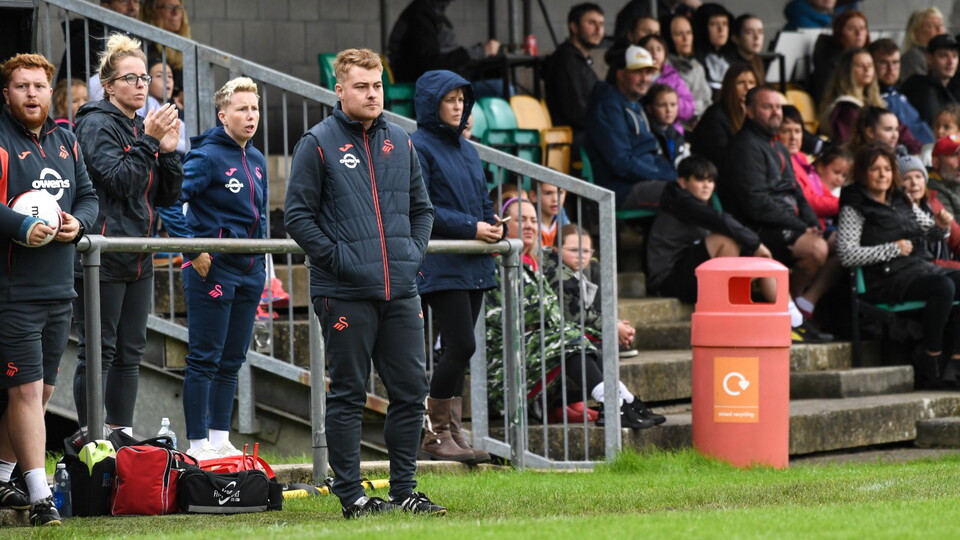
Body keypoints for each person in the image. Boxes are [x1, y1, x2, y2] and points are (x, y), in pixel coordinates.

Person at [284, 48, 443, 518]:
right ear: (340, 90)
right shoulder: (317, 142)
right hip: (344, 291)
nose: (372, 94)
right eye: (362, 86)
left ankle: (403, 490)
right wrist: (340, 260)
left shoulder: (402, 140)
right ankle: (352, 496)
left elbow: (423, 210)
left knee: (412, 390)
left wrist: (410, 256)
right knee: (349, 393)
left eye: (377, 86)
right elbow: (297, 216)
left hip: (400, 288)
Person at [0, 52, 98, 527]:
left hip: (62, 288)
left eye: (39, 86)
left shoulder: (66, 138)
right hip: (14, 291)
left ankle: (1, 478)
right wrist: (22, 226)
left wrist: (79, 223)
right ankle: (41, 498)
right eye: (22, 86)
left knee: (37, 399)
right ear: (7, 93)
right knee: (24, 393)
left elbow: (89, 196)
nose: (32, 94)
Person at [73, 34, 183, 440]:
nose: (141, 85)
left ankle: (121, 436)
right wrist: (151, 142)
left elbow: (167, 196)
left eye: (143, 78)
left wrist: (169, 153)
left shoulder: (141, 125)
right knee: (98, 353)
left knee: (130, 353)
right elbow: (119, 182)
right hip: (102, 256)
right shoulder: (95, 122)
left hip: (138, 255)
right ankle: (92, 439)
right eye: (130, 78)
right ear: (109, 85)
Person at [485, 198, 658, 429]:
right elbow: (535, 313)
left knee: (587, 339)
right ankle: (613, 403)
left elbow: (551, 315)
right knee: (572, 338)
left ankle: (623, 400)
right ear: (503, 224)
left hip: (530, 348)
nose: (529, 225)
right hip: (500, 359)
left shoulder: (532, 262)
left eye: (534, 220)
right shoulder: (498, 261)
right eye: (521, 219)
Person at [166, 77, 267, 460]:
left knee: (233, 359)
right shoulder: (206, 156)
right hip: (212, 269)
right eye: (241, 108)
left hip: (250, 271)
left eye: (254, 108)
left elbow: (260, 221)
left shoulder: (255, 159)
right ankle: (196, 445)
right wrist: (194, 251)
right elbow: (170, 200)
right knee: (205, 357)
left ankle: (220, 438)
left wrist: (261, 263)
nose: (250, 115)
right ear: (222, 114)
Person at [410, 70, 499, 464]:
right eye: (450, 99)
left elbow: (481, 199)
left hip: (474, 261)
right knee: (461, 343)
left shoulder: (468, 149)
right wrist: (472, 227)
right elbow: (423, 204)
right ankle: (434, 432)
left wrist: (492, 224)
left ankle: (452, 432)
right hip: (442, 262)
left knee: (457, 350)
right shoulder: (419, 145)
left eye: (462, 99)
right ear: (433, 103)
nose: (458, 105)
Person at [837, 142, 960, 388]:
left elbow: (930, 233)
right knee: (943, 287)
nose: (883, 174)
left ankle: (955, 360)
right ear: (863, 173)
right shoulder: (855, 207)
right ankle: (930, 355)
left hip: (918, 269)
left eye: (887, 169)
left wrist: (941, 226)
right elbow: (846, 255)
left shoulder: (902, 199)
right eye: (875, 169)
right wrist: (891, 249)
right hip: (885, 278)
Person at [721, 86, 834, 341]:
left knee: (835, 242)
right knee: (816, 249)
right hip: (755, 228)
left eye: (778, 107)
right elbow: (755, 204)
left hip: (786, 224)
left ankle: (796, 308)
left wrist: (811, 222)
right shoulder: (744, 146)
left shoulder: (779, 148)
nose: (775, 113)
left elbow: (796, 193)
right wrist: (800, 226)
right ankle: (791, 315)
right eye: (767, 107)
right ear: (749, 111)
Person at [647, 155, 772, 304]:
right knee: (725, 240)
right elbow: (722, 221)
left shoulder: (701, 203)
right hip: (667, 280)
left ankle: (792, 316)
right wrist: (756, 244)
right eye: (699, 180)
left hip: (688, 273)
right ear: (682, 182)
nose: (706, 186)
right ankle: (726, 303)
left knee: (763, 260)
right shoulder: (681, 202)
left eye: (710, 181)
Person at [584, 45, 676, 210]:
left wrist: (675, 175)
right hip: (619, 188)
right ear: (620, 74)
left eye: (648, 73)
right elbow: (621, 163)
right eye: (637, 72)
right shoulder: (607, 106)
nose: (645, 78)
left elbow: (651, 153)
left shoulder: (634, 104)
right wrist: (664, 176)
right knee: (681, 194)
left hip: (643, 180)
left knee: (698, 186)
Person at [543, 224, 645, 360]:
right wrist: (612, 326)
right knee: (607, 346)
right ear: (556, 251)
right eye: (574, 250)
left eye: (586, 251)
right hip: (555, 339)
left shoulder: (572, 271)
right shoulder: (559, 276)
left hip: (572, 332)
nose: (581, 256)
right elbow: (575, 319)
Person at [387, 0, 500, 84]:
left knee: (495, 74)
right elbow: (431, 63)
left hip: (447, 80)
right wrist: (479, 52)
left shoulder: (432, 12)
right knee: (500, 87)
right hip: (426, 85)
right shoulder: (420, 14)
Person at [543, 3, 605, 151]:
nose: (598, 29)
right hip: (571, 136)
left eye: (601, 24)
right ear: (574, 27)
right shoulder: (566, 59)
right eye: (591, 23)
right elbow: (575, 111)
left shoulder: (579, 60)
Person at [868, 38, 937, 147]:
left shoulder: (901, 94)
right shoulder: (871, 101)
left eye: (895, 62)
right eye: (883, 63)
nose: (891, 69)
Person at [689, 63, 758, 171]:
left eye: (752, 83)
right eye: (740, 83)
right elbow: (723, 157)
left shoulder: (757, 113)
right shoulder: (715, 116)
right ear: (730, 86)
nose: (747, 87)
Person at [780, 106, 841, 228]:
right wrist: (846, 204)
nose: (793, 138)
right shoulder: (781, 161)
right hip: (807, 228)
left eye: (797, 131)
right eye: (786, 131)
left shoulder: (800, 157)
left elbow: (822, 191)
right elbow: (808, 201)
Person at [898, 152, 960, 268]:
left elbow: (956, 238)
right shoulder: (898, 212)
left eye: (918, 176)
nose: (914, 183)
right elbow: (922, 260)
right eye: (906, 178)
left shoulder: (933, 203)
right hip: (922, 273)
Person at [57, 0, 140, 82]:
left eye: (136, 1)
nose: (132, 7)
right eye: (124, 1)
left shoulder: (134, 35)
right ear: (105, 6)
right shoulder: (90, 37)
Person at [818, 47, 885, 143]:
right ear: (847, 70)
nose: (867, 69)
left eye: (870, 65)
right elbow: (849, 143)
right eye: (860, 65)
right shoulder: (846, 107)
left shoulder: (871, 101)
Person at [808, 10, 870, 104]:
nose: (858, 33)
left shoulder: (868, 55)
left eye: (862, 28)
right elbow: (825, 98)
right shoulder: (829, 61)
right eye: (851, 29)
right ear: (839, 32)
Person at [638, 34, 695, 130]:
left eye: (659, 49)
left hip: (671, 131)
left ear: (665, 54)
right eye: (649, 49)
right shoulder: (636, 77)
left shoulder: (674, 77)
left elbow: (689, 108)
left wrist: (669, 103)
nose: (654, 53)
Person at [901, 34, 960, 126]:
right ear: (929, 58)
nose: (950, 62)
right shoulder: (923, 89)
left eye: (955, 56)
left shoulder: (953, 86)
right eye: (943, 56)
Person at [140, 0, 190, 107]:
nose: (175, 12)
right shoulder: (146, 47)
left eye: (179, 7)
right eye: (168, 7)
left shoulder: (185, 48)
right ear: (152, 12)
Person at [666, 14, 712, 124]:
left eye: (688, 33)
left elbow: (708, 101)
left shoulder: (698, 67)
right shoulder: (665, 68)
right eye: (678, 34)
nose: (685, 38)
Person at [692, 3, 736, 94]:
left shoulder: (734, 57)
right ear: (702, 27)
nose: (721, 29)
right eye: (714, 24)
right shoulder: (694, 59)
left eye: (725, 23)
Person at [645, 83, 690, 165]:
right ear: (649, 108)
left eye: (673, 105)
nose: (669, 110)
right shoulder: (645, 134)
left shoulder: (677, 136)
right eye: (662, 105)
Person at [900, 8, 947, 82]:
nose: (939, 29)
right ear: (915, 32)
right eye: (931, 26)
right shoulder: (913, 57)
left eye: (941, 25)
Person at [928, 134, 960, 218]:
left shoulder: (953, 180)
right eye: (954, 155)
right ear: (936, 162)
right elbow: (952, 228)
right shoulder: (933, 191)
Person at [528, 181, 568, 248]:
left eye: (560, 193)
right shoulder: (528, 226)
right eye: (548, 193)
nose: (555, 199)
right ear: (533, 196)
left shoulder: (564, 223)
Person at [730, 14, 766, 82]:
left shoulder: (758, 61)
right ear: (735, 38)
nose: (757, 37)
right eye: (749, 32)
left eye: (760, 32)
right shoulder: (728, 64)